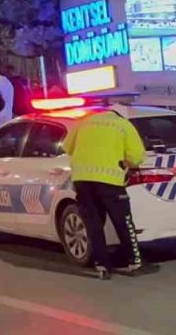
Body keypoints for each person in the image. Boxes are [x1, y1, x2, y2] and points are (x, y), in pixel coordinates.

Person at [63, 108, 147, 279]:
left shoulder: (83, 123)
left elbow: (67, 147)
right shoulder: (123, 125)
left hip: (82, 181)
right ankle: (133, 261)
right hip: (110, 181)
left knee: (93, 224)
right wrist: (125, 161)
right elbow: (136, 157)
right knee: (123, 222)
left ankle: (101, 265)